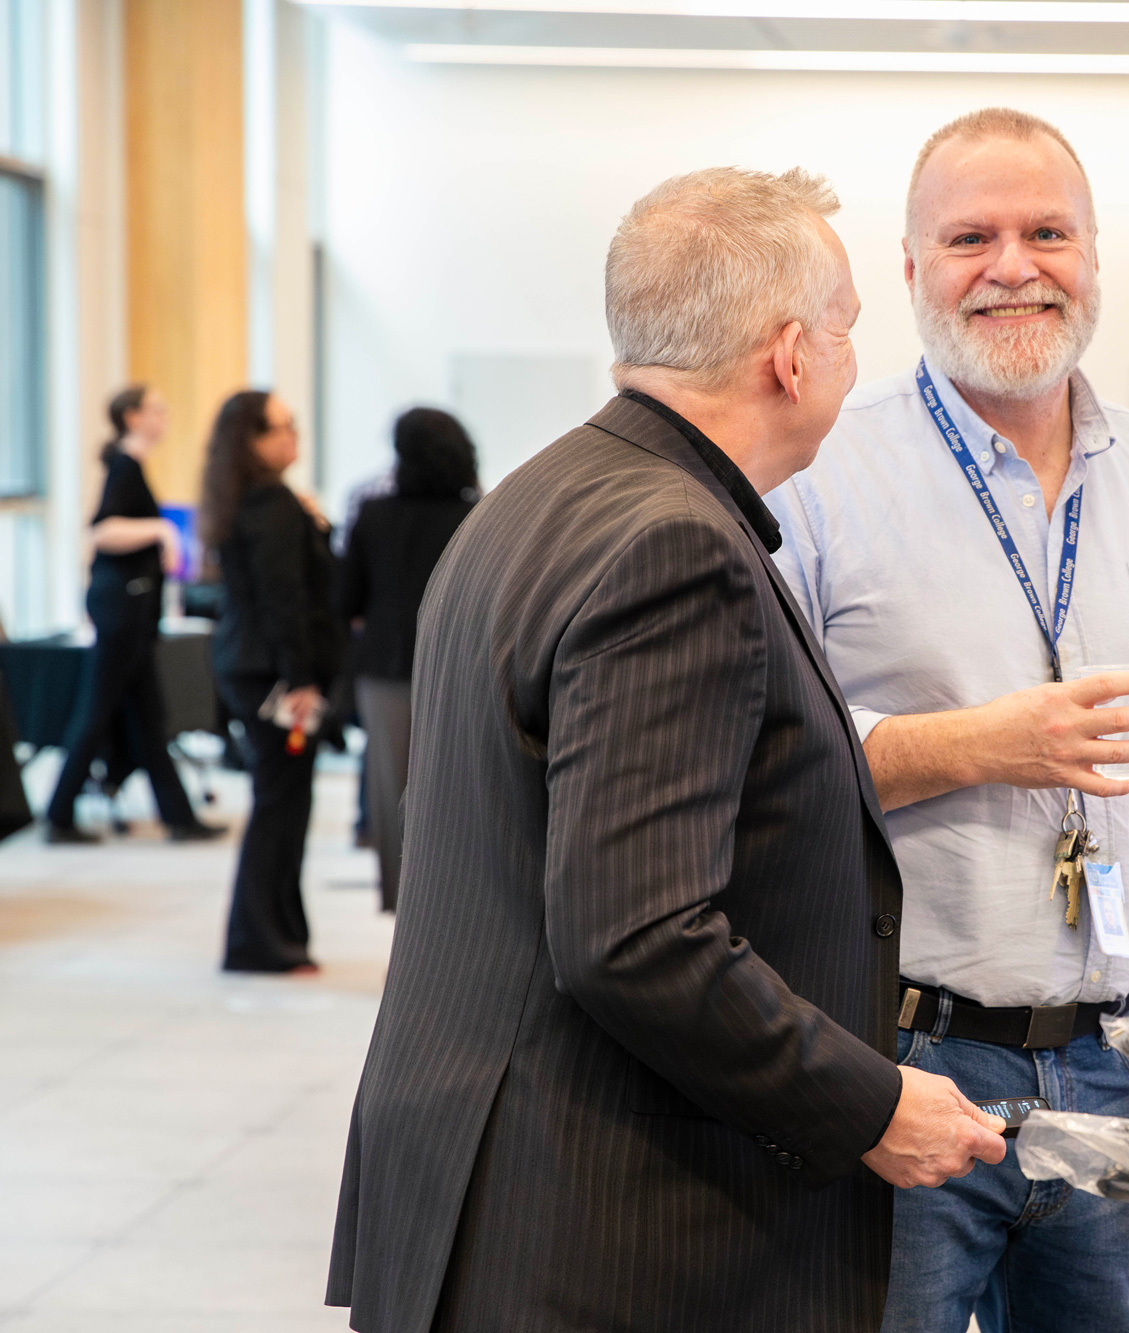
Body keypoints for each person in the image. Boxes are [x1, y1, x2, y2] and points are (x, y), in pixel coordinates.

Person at [327, 167, 1006, 1333]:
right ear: (790, 354)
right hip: (603, 1224)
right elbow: (635, 936)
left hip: (486, 1184)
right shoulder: (675, 548)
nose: (854, 357)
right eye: (847, 327)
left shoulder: (537, 499)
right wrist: (871, 1103)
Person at [768, 109, 1129, 1333]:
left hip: (1120, 1068)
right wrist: (975, 746)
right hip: (902, 1069)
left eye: (1046, 231)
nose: (1012, 265)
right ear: (908, 273)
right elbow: (757, 769)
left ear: (1092, 255)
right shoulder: (821, 472)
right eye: (969, 237)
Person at [45, 385, 223, 844]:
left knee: (148, 715)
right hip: (121, 606)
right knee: (98, 709)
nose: (164, 417)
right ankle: (59, 813)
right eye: (156, 410)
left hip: (133, 609)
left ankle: (178, 816)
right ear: (132, 416)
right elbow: (101, 530)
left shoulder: (130, 464)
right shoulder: (124, 463)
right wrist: (162, 530)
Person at [203, 390, 342, 973]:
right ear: (250, 442)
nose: (293, 438)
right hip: (273, 674)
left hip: (253, 666)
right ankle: (261, 941)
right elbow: (285, 601)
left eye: (293, 426)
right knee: (279, 805)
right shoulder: (272, 505)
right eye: (279, 429)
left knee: (281, 802)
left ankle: (274, 935)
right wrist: (302, 680)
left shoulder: (253, 500)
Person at [338, 407, 480, 912]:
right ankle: (455, 909)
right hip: (461, 667)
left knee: (392, 792)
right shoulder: (477, 513)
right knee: (460, 790)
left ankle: (405, 918)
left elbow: (345, 599)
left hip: (387, 668)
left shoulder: (374, 516)